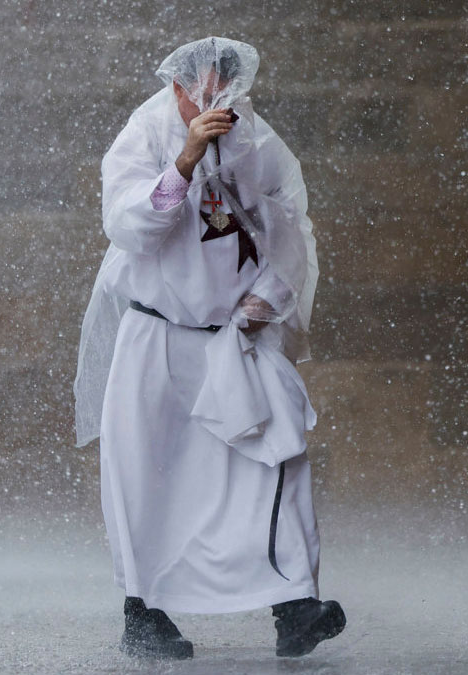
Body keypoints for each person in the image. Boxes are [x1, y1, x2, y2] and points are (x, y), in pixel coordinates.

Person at [73, 37, 345, 659]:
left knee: (278, 454)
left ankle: (296, 605)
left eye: (223, 89)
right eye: (199, 90)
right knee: (149, 474)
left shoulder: (254, 138)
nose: (211, 100)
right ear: (177, 87)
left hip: (236, 339)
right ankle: (144, 613)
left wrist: (266, 299)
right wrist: (188, 156)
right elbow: (130, 227)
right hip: (158, 339)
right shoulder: (145, 132)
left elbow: (288, 224)